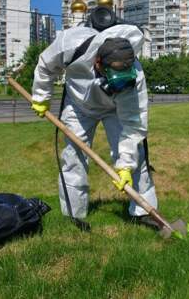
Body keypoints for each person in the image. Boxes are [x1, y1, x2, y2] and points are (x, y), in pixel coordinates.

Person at [30, 23, 158, 228]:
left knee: (138, 157)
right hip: (79, 105)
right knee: (73, 157)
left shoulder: (135, 76)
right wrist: (41, 97)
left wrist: (125, 165)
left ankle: (144, 212)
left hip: (115, 109)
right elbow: (45, 65)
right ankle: (74, 213)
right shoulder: (71, 43)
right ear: (98, 63)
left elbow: (133, 125)